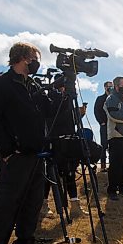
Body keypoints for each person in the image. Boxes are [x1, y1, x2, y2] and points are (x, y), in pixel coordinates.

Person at [0, 42, 52, 244]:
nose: (36, 62)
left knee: (33, 200)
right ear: (21, 58)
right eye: (33, 58)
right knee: (7, 202)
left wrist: (61, 91)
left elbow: (48, 110)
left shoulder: (32, 85)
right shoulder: (1, 84)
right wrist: (7, 148)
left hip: (35, 154)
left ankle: (24, 242)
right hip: (16, 155)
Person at [40, 77, 89, 219]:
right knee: (50, 175)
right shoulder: (53, 100)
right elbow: (53, 119)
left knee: (70, 174)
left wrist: (79, 114)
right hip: (54, 142)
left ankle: (75, 205)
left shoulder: (68, 101)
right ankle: (44, 205)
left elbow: (70, 122)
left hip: (69, 140)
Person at [94, 81, 113, 172]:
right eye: (108, 87)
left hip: (114, 126)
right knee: (104, 145)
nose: (110, 88)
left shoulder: (115, 98)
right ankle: (103, 166)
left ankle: (112, 165)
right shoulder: (100, 98)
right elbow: (96, 111)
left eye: (111, 86)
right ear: (105, 87)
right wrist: (101, 122)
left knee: (113, 146)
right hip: (104, 125)